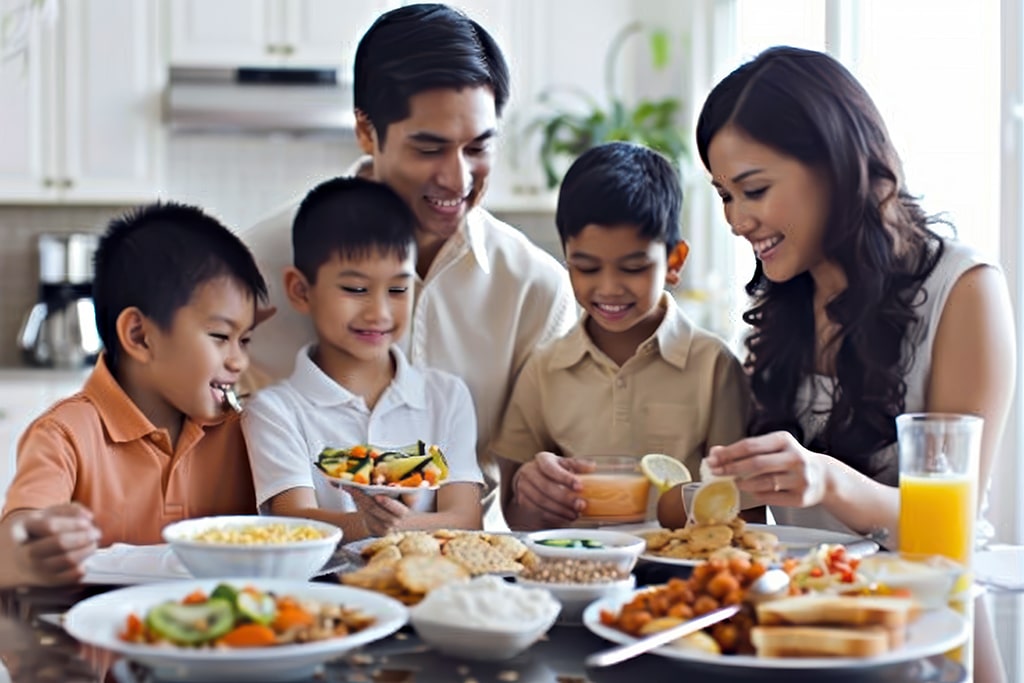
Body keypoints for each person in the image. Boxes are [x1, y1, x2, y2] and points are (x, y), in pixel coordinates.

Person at [240, 4, 576, 529]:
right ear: (366, 132)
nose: (457, 178)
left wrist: (544, 490)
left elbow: (523, 502)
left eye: (478, 147)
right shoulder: (252, 270)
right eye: (429, 147)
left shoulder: (535, 289)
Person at [695, 46, 1016, 541]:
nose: (737, 221)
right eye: (725, 196)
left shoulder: (964, 288)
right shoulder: (782, 301)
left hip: (933, 600)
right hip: (810, 604)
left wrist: (827, 479)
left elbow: (956, 511)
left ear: (835, 165)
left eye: (754, 190)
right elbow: (747, 510)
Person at [0, 203, 268, 587]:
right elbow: (15, 541)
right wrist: (33, 548)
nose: (239, 361)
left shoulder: (246, 430)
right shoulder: (64, 435)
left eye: (245, 340)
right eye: (221, 337)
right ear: (141, 336)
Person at [492, 142, 751, 530]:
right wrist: (535, 496)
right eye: (587, 267)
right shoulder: (543, 371)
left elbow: (743, 510)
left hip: (680, 577)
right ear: (567, 259)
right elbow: (518, 516)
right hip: (573, 572)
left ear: (674, 262)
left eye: (633, 268)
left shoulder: (714, 367)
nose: (609, 288)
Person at [241, 177, 483, 540]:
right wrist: (368, 525)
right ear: (301, 290)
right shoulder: (275, 411)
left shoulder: (445, 397)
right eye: (356, 289)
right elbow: (292, 522)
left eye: (398, 289)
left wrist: (390, 526)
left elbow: (466, 518)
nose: (379, 312)